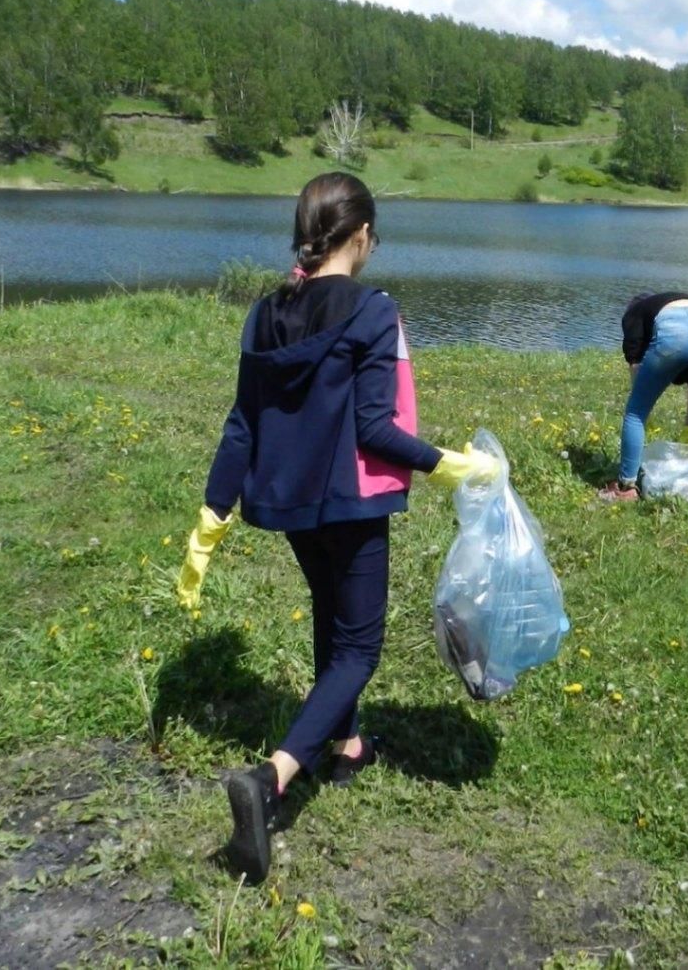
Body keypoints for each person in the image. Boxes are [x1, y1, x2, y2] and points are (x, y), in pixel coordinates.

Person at [182, 172, 499, 885]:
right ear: (360, 237)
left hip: (289, 501)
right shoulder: (371, 310)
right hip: (352, 502)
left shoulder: (265, 313)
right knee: (358, 648)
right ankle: (271, 780)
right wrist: (445, 464)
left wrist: (213, 511)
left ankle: (346, 740)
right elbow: (374, 429)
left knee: (330, 614)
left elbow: (242, 425)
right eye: (372, 238)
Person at [600, 293, 688, 505]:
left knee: (635, 412)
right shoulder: (679, 301)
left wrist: (643, 412)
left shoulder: (634, 314)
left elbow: (636, 366)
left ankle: (625, 489)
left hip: (673, 332)